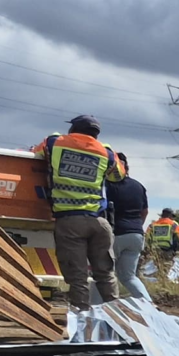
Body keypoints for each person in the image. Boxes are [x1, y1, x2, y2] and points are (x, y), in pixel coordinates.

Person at [31, 115, 124, 311]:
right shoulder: (106, 152)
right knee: (106, 274)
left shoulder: (54, 142)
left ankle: (82, 318)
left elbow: (35, 153)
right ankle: (117, 318)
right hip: (100, 222)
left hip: (70, 221)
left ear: (73, 129)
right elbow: (118, 175)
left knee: (78, 276)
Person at [106, 152, 153, 302]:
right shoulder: (139, 186)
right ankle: (149, 305)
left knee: (104, 274)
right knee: (128, 276)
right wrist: (137, 225)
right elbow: (145, 211)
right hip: (136, 235)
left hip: (116, 234)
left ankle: (99, 308)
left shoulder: (108, 186)